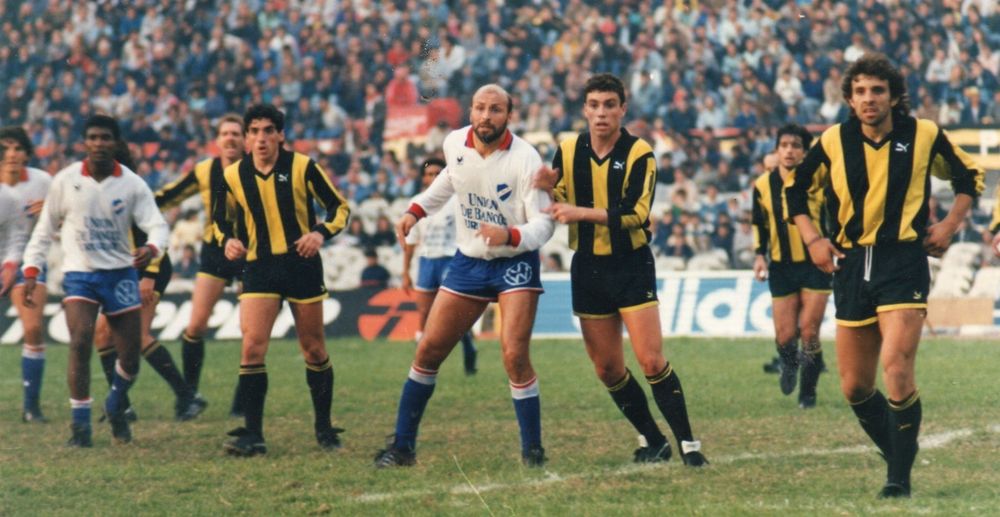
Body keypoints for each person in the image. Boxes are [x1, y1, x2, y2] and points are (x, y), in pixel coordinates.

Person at [785, 53, 984, 498]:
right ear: (850, 99)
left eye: (877, 90)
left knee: (896, 368)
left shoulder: (924, 135)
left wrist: (950, 226)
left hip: (902, 261)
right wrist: (814, 240)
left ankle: (898, 478)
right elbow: (796, 190)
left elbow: (969, 176)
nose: (869, 99)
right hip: (852, 265)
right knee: (856, 386)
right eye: (860, 92)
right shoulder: (835, 140)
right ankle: (898, 451)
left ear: (894, 96)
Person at [375, 84, 554, 468]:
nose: (485, 116)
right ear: (470, 111)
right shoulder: (455, 143)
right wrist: (415, 211)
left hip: (515, 261)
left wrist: (511, 235)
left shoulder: (526, 158)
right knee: (428, 351)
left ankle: (532, 451)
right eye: (479, 108)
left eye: (494, 109)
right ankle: (402, 447)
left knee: (514, 355)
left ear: (509, 114)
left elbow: (544, 224)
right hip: (469, 262)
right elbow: (446, 185)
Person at [534, 73, 707, 467]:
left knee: (650, 361)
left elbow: (636, 214)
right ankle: (653, 439)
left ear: (622, 109)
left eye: (609, 105)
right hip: (588, 267)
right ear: (584, 109)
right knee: (608, 368)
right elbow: (558, 200)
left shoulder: (639, 151)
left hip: (631, 265)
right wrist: (546, 187)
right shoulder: (568, 150)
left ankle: (689, 446)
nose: (601, 113)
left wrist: (578, 212)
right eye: (593, 105)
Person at [21, 115, 170, 447]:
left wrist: (151, 248)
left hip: (119, 274)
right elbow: (44, 231)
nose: (99, 143)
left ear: (116, 143)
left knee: (129, 357)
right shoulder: (65, 180)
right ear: (84, 142)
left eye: (106, 137)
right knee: (79, 340)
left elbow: (158, 225)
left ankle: (116, 403)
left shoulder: (132, 184)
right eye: (93, 137)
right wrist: (31, 270)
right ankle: (80, 426)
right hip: (81, 275)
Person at [214, 104, 350, 456]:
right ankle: (253, 436)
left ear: (280, 135)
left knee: (314, 349)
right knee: (252, 347)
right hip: (259, 269)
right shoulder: (232, 176)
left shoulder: (303, 167)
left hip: (301, 266)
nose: (261, 139)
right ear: (246, 138)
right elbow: (219, 221)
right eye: (254, 131)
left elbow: (340, 209)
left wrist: (319, 233)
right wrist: (228, 240)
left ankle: (323, 429)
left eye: (268, 131)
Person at [92, 141, 205, 423]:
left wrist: (150, 277)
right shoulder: (99, 191)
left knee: (138, 336)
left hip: (149, 269)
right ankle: (123, 405)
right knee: (103, 335)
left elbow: (158, 232)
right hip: (124, 271)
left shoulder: (133, 190)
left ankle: (187, 397)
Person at [154, 114, 247, 416]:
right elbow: (170, 195)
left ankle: (242, 401)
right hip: (215, 250)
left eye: (236, 133)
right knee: (194, 326)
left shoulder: (256, 168)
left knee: (251, 331)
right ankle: (189, 396)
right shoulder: (205, 170)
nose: (231, 138)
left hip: (252, 252)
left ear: (245, 139)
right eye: (225, 133)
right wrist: (134, 206)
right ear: (217, 140)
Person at [751, 124, 831, 408]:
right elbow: (759, 223)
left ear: (804, 151)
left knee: (809, 332)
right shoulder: (762, 184)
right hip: (782, 268)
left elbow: (834, 215)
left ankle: (808, 395)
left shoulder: (819, 180)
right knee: (785, 336)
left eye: (795, 145)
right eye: (783, 145)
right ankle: (789, 364)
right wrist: (759, 254)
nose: (789, 150)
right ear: (776, 149)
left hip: (815, 265)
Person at [400, 157, 477, 376]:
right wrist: (405, 272)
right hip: (426, 260)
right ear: (423, 178)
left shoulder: (456, 200)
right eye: (429, 174)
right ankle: (421, 363)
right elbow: (411, 241)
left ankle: (468, 346)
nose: (433, 178)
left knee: (452, 312)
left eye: (437, 173)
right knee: (424, 313)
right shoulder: (417, 202)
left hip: (451, 258)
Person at [0, 126, 51, 423]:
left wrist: (52, 209)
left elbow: (68, 217)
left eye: (17, 148)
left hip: (28, 263)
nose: (11, 154)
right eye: (5, 148)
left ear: (27, 153)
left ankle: (31, 407)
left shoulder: (44, 182)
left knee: (32, 329)